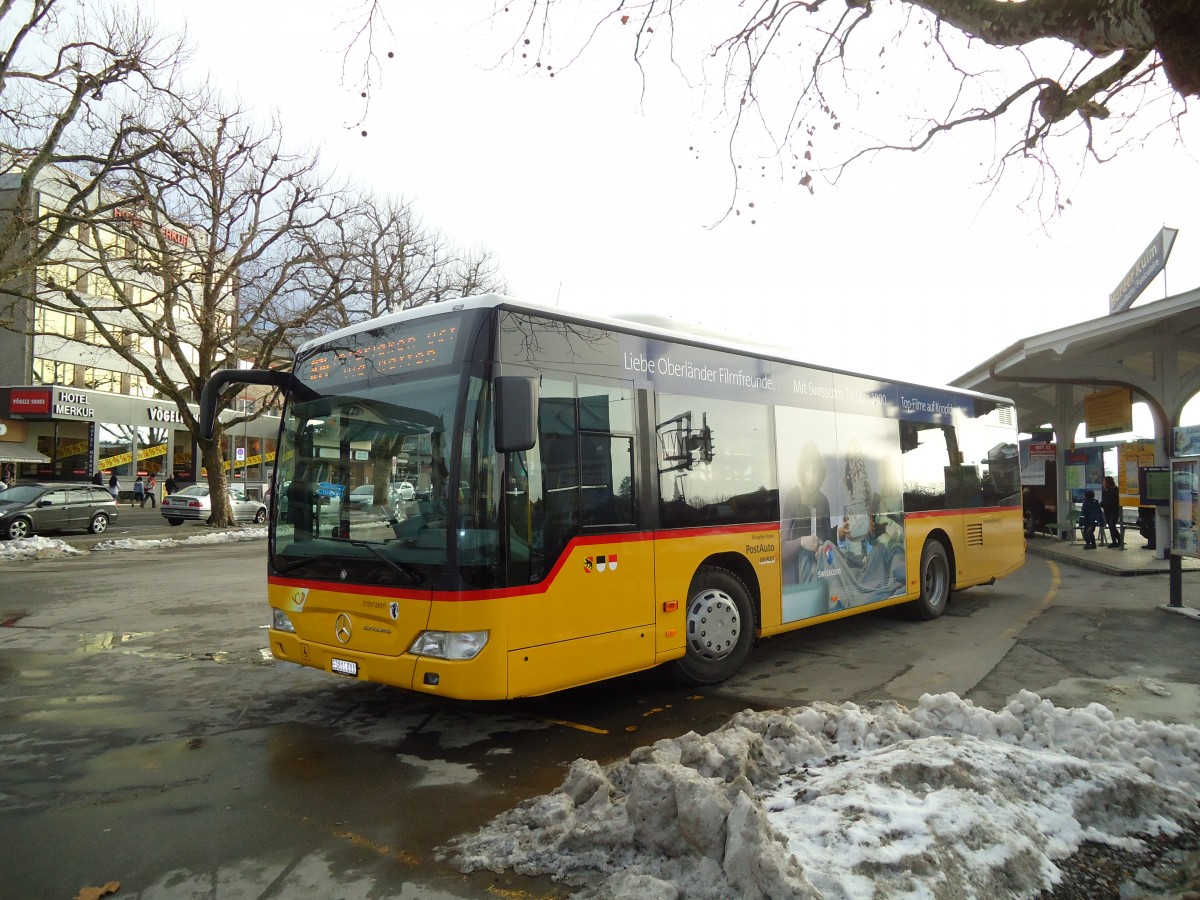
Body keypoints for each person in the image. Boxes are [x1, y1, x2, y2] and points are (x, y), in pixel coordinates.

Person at [1101, 475, 1121, 547]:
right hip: (1107, 510)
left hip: (1113, 510)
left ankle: (1118, 541)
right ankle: (1116, 541)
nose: (1103, 483)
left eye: (1104, 481)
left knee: (1112, 526)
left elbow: (1112, 501)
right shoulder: (1105, 490)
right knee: (1110, 526)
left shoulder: (1115, 490)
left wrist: (1103, 504)